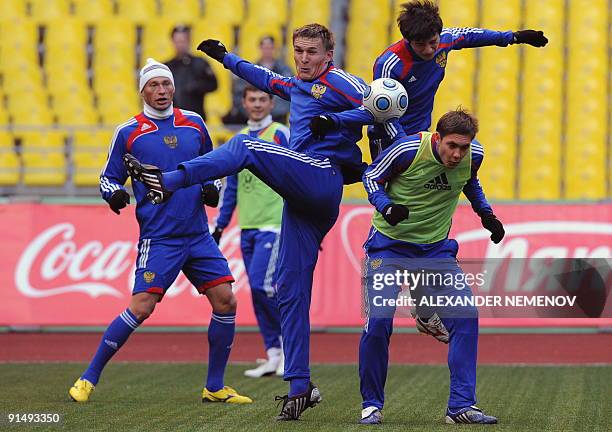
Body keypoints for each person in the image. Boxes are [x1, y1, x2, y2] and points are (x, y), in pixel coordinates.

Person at [122, 23, 369, 421]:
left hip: (321, 177)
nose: (304, 58)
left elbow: (381, 108)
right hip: (302, 198)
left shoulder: (340, 82)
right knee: (289, 287)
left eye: (312, 52)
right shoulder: (295, 85)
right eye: (299, 50)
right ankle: (300, 386)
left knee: (246, 144)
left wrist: (357, 142)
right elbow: (263, 77)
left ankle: (168, 180)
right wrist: (224, 58)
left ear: (329, 54)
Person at [68, 58, 251, 405]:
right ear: (142, 91)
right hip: (160, 238)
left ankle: (215, 386)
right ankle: (87, 378)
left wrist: (212, 186)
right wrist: (115, 194)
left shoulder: (194, 123)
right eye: (154, 85)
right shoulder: (128, 132)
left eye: (166, 84)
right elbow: (108, 176)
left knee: (226, 300)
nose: (162, 90)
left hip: (197, 234)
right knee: (141, 307)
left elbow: (211, 165)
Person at [358, 108, 505, 425]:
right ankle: (371, 404)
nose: (457, 154)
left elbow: (470, 182)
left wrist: (487, 215)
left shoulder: (473, 155)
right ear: (437, 138)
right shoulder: (407, 149)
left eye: (463, 147)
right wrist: (386, 206)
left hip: (435, 251)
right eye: (451, 145)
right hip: (388, 247)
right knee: (379, 322)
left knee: (466, 317)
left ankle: (461, 407)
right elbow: (370, 176)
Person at [308, 0, 548, 159]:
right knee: (394, 200)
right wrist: (404, 143)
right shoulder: (389, 65)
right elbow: (380, 113)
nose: (429, 49)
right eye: (420, 45)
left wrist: (514, 37)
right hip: (389, 137)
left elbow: (472, 35)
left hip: (421, 134)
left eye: (433, 42)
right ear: (407, 40)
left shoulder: (444, 40)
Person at [213, 85, 289, 378]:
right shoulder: (239, 140)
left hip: (275, 224)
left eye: (262, 99)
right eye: (252, 100)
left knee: (264, 287)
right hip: (248, 227)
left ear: (272, 104)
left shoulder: (281, 134)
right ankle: (273, 354)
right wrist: (220, 224)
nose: (257, 104)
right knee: (257, 292)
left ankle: (288, 350)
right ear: (244, 104)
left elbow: (296, 173)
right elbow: (231, 188)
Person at [223, 36, 292, 124]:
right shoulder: (250, 70)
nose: (267, 51)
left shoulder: (285, 70)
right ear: (260, 48)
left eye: (270, 47)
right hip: (252, 117)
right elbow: (239, 93)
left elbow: (290, 93)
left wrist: (268, 109)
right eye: (265, 47)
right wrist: (251, 110)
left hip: (278, 118)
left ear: (275, 49)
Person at [165, 25, 218, 120]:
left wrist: (196, 87)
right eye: (177, 41)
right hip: (173, 118)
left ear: (189, 41)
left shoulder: (200, 63)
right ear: (172, 42)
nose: (180, 44)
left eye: (183, 41)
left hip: (195, 117)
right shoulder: (167, 67)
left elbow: (214, 84)